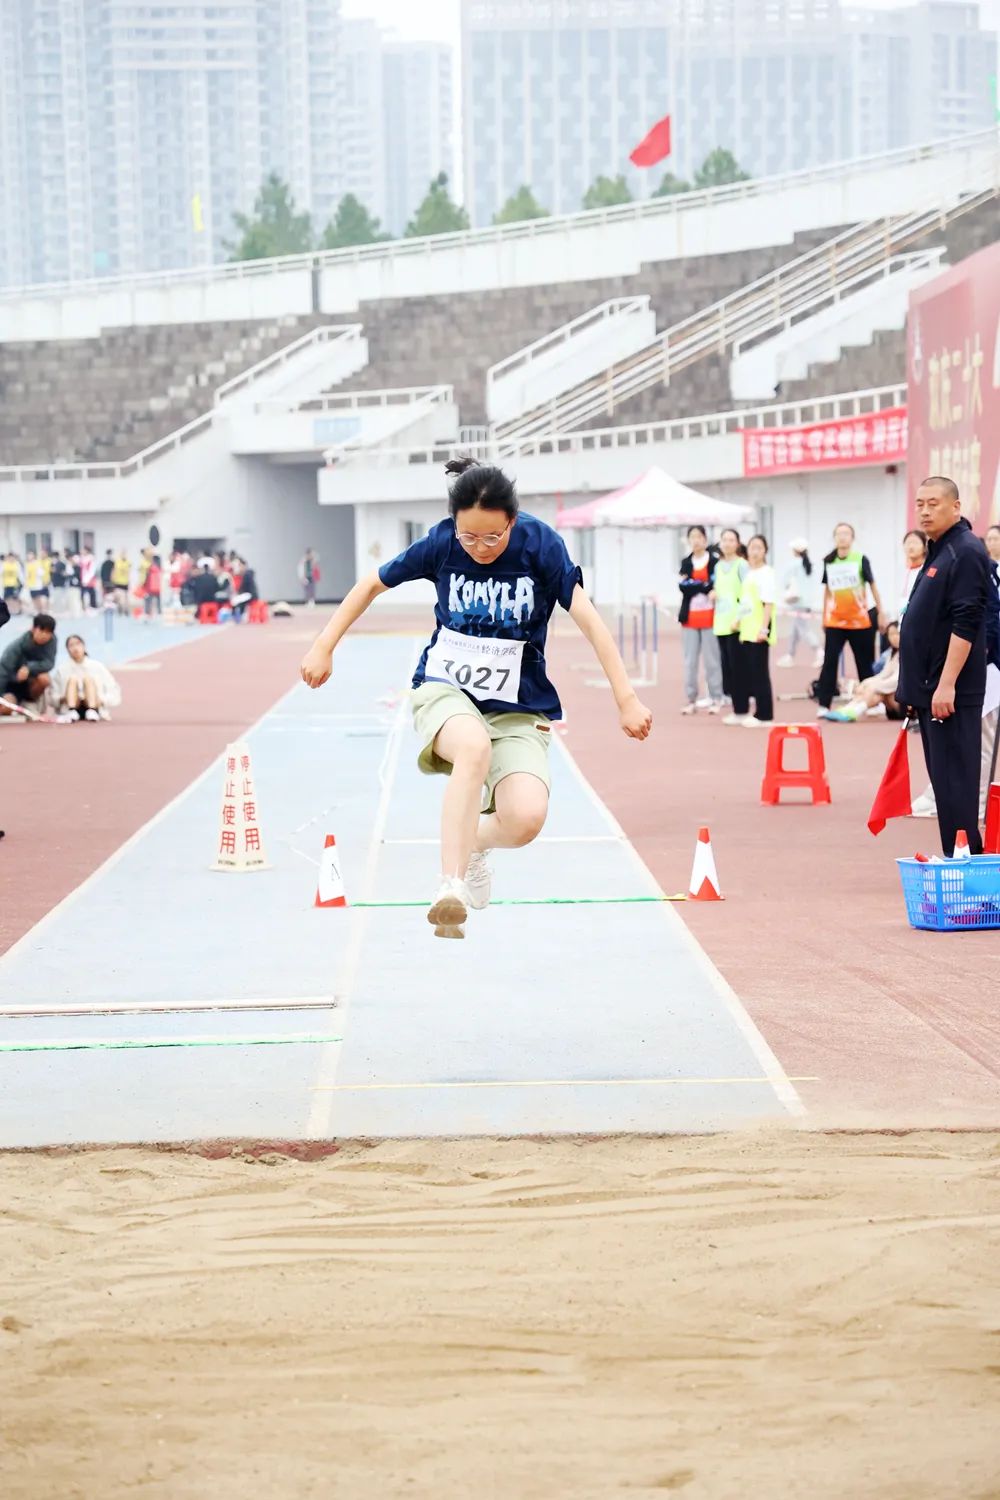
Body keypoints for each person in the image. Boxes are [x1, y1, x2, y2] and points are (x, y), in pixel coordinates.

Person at [300, 456, 653, 940]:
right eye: (469, 537)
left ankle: (474, 842)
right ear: (455, 524)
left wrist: (626, 698)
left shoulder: (541, 546)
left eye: (492, 537)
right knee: (472, 746)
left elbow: (590, 621)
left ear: (512, 521)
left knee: (525, 819)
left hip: (517, 705)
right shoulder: (442, 542)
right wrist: (324, 645)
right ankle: (450, 884)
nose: (480, 549)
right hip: (445, 687)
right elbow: (371, 585)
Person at [898, 477, 989, 857]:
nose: (924, 511)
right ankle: (958, 858)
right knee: (945, 786)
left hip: (949, 692)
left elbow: (966, 621)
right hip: (929, 689)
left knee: (956, 785)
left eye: (933, 503)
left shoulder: (965, 551)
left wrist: (947, 683)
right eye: (920, 504)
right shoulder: (939, 550)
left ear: (956, 507)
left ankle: (966, 865)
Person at [816, 523, 887, 715]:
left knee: (864, 663)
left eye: (846, 533)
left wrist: (881, 612)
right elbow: (827, 591)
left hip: (859, 622)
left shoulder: (861, 559)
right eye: (839, 534)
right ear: (834, 538)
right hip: (835, 622)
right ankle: (824, 704)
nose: (842, 537)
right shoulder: (829, 561)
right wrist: (824, 616)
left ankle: (873, 703)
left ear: (852, 538)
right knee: (829, 662)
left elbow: (873, 586)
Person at [677, 524, 724, 715]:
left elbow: (714, 583)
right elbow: (683, 586)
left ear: (705, 539)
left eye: (699, 536)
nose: (696, 541)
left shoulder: (714, 562)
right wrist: (703, 586)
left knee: (712, 660)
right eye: (692, 537)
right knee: (690, 662)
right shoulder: (686, 563)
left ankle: (716, 697)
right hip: (690, 619)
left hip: (710, 618)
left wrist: (697, 585)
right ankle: (691, 698)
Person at [821, 622, 903, 722]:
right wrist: (866, 683)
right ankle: (848, 710)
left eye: (897, 634)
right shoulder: (892, 654)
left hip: (904, 705)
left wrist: (874, 686)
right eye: (891, 635)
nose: (894, 638)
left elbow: (896, 681)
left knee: (878, 691)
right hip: (892, 703)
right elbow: (884, 674)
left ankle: (852, 712)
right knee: (872, 690)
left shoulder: (908, 654)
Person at [737, 534, 777, 727]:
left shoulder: (766, 573)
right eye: (752, 547)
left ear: (765, 551)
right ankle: (759, 712)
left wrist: (764, 629)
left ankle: (765, 715)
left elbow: (768, 603)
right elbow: (746, 602)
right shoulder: (749, 573)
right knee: (752, 673)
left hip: (758, 631)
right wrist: (738, 620)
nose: (755, 551)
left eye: (759, 547)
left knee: (760, 674)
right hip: (747, 629)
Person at [713, 528, 749, 723]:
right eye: (724, 540)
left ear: (737, 543)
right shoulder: (718, 566)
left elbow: (748, 593)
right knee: (727, 668)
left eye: (731, 540)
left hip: (737, 624)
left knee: (738, 668)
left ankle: (741, 709)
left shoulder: (742, 565)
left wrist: (741, 618)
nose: (727, 543)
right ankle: (736, 707)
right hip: (721, 623)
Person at [49, 634, 122, 721]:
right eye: (71, 645)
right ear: (67, 650)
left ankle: (92, 710)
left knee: (88, 680)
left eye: (78, 644)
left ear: (84, 646)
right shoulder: (62, 670)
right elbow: (52, 696)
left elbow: (113, 690)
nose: (75, 648)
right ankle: (72, 710)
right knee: (72, 680)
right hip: (70, 706)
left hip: (95, 704)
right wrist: (62, 699)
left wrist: (101, 700)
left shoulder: (97, 666)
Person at [0, 613, 57, 717]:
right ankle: (13, 706)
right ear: (33, 629)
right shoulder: (15, 647)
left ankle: (30, 703)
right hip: (12, 687)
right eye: (42, 630)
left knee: (45, 678)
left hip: (31, 685)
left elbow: (49, 663)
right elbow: (3, 672)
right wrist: (17, 677)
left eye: (48, 632)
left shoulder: (52, 641)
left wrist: (29, 668)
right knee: (6, 708)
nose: (44, 635)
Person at [777, 538, 821, 667]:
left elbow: (785, 582)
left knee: (804, 629)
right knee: (795, 630)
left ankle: (819, 651)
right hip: (807, 603)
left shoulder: (793, 565)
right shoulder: (809, 565)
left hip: (797, 602)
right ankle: (790, 655)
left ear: (795, 550)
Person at [899, 529, 928, 616]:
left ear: (924, 547)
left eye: (915, 543)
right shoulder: (904, 572)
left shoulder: (927, 571)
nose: (911, 547)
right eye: (908, 543)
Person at [79, 544, 99, 612]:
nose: (81, 551)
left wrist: (86, 580)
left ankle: (92, 606)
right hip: (83, 579)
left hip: (89, 580)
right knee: (83, 594)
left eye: (83, 550)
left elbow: (91, 571)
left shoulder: (91, 558)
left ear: (86, 551)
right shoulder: (82, 558)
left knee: (91, 593)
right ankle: (84, 607)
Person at [143, 554, 163, 619]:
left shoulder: (151, 568)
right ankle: (159, 613)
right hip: (158, 588)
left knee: (148, 601)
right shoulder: (160, 568)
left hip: (151, 587)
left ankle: (147, 613)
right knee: (158, 601)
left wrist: (144, 585)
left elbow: (147, 578)